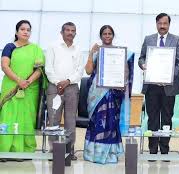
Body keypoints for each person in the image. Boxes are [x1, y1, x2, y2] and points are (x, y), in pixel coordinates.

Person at [83, 25, 134, 164]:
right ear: (100, 36)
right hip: (97, 93)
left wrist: (122, 83)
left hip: (113, 92)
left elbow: (126, 72)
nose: (107, 36)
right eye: (104, 34)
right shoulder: (96, 52)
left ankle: (110, 154)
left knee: (111, 123)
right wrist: (90, 53)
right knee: (97, 122)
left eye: (109, 33)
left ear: (113, 35)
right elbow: (88, 71)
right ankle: (94, 154)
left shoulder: (120, 53)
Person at [138, 13, 179, 160]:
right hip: (152, 86)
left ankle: (164, 150)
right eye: (160, 23)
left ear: (169, 24)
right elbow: (141, 58)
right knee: (152, 118)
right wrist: (143, 65)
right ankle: (152, 150)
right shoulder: (148, 39)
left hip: (169, 86)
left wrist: (169, 76)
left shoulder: (177, 40)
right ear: (156, 24)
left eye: (165, 23)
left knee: (166, 118)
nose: (162, 26)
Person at [0, 20, 46, 158]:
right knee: (7, 118)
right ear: (16, 32)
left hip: (29, 89)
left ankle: (24, 151)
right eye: (22, 29)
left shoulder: (36, 49)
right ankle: (5, 150)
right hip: (11, 88)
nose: (26, 32)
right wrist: (19, 81)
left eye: (28, 30)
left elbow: (39, 70)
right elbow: (4, 66)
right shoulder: (9, 47)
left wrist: (28, 82)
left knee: (26, 119)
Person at [45, 22, 83, 161]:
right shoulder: (52, 47)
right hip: (54, 88)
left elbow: (80, 71)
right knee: (53, 120)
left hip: (72, 88)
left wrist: (67, 81)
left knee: (70, 120)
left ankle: (69, 151)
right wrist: (58, 82)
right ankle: (53, 151)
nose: (70, 33)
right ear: (61, 32)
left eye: (73, 30)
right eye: (67, 30)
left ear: (75, 33)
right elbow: (48, 68)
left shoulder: (78, 49)